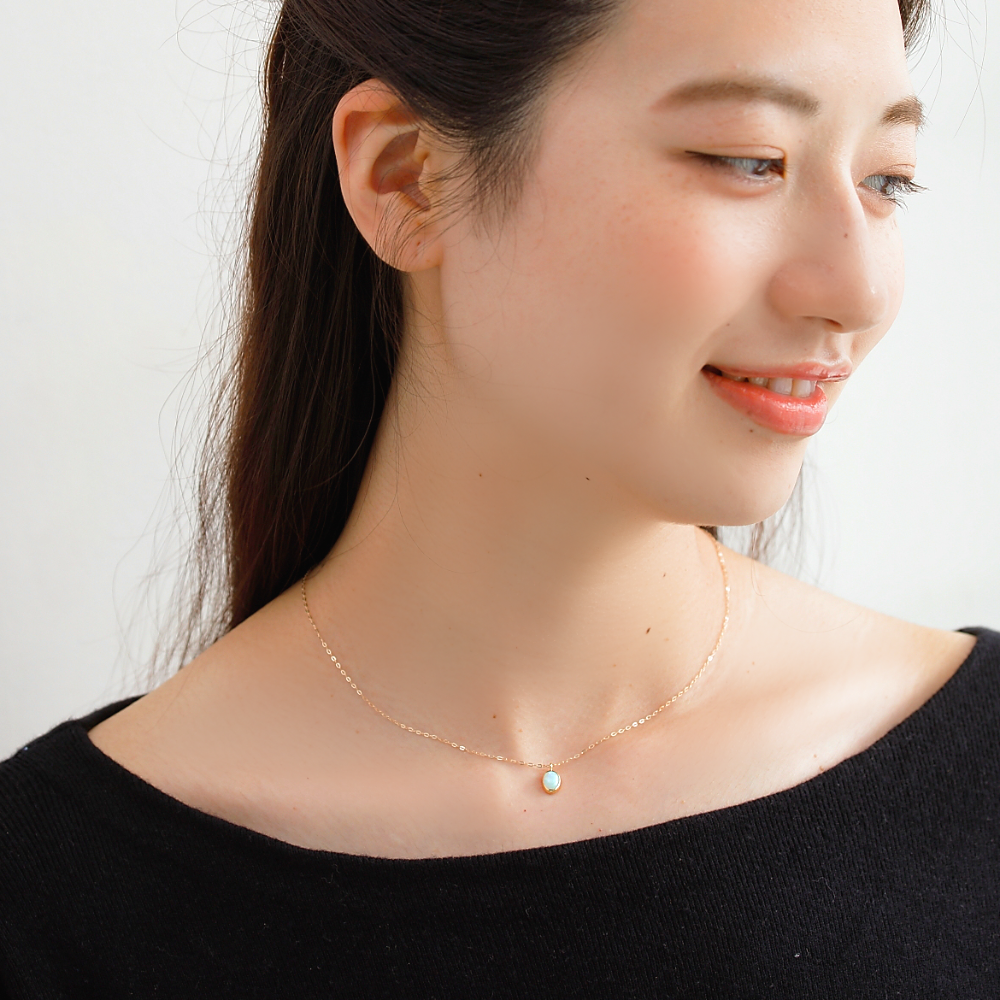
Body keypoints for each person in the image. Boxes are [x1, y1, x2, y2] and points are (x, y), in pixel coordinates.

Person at [2, 0, 997, 995]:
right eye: (748, 159)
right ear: (407, 176)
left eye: (887, 180)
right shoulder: (51, 895)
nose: (859, 290)